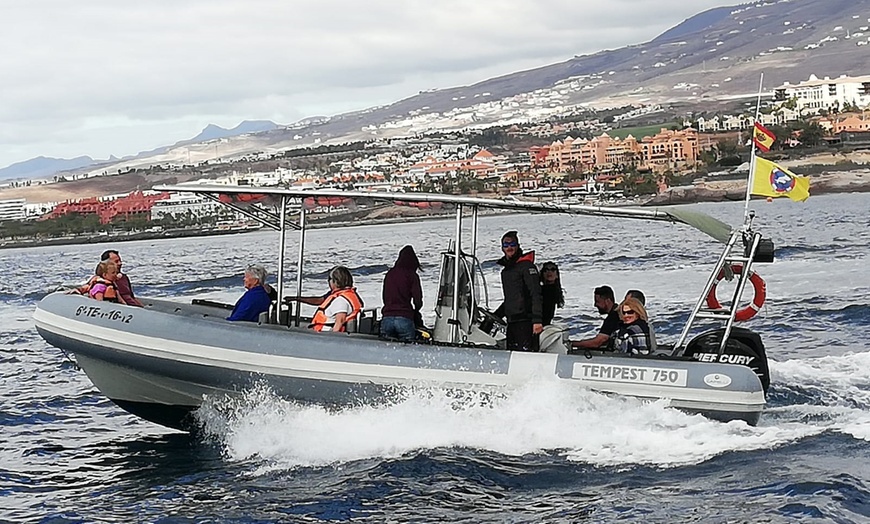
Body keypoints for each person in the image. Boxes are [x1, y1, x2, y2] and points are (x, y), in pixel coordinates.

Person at [494, 231, 542, 352]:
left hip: (526, 321)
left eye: (512, 244)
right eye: (506, 245)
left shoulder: (527, 267)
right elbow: (510, 299)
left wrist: (537, 321)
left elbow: (536, 293)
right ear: (502, 248)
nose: (509, 247)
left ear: (517, 245)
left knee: (525, 353)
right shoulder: (507, 271)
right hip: (512, 322)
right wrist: (494, 317)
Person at [380, 245, 423, 342]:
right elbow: (418, 300)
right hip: (404, 318)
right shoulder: (412, 275)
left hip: (387, 318)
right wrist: (416, 311)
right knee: (408, 351)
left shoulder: (390, 274)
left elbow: (385, 297)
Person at [307, 266, 364, 332]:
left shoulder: (340, 301)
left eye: (329, 279)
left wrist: (332, 339)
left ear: (335, 281)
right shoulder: (351, 295)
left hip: (324, 335)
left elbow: (339, 322)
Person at [570, 285, 620, 350]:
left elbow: (597, 342)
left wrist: (571, 344)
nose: (595, 304)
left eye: (597, 301)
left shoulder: (613, 317)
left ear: (607, 301)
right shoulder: (616, 313)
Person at [540, 261, 565, 326]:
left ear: (557, 275)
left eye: (553, 269)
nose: (549, 272)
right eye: (546, 270)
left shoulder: (554, 290)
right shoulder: (538, 289)